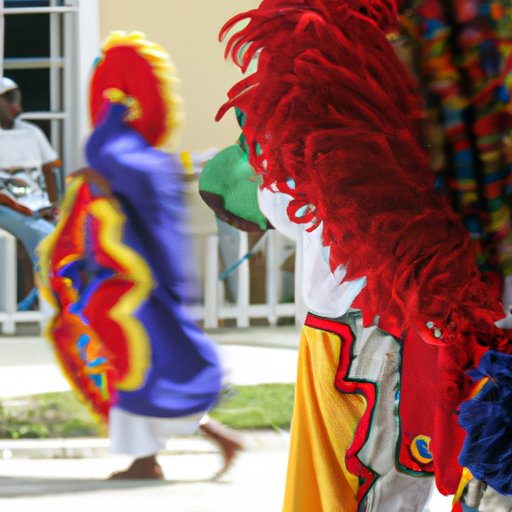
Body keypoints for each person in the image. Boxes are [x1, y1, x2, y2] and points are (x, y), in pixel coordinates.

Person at [216, 1, 512, 511]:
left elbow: (278, 201)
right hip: (410, 320)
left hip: (377, 324)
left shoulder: (330, 83)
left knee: (370, 487)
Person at [37, 31, 242, 480]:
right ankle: (159, 455)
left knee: (139, 369)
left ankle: (184, 447)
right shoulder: (146, 159)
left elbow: (124, 215)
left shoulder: (122, 155)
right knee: (137, 371)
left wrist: (99, 188)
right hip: (126, 288)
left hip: (127, 291)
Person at [0, 77, 60, 306]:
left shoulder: (31, 133)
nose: (15, 105)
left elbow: (49, 171)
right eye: (9, 99)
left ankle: (44, 301)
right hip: (6, 206)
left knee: (70, 233)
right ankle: (32, 305)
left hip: (34, 203)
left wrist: (53, 205)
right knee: (43, 235)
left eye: (16, 98)